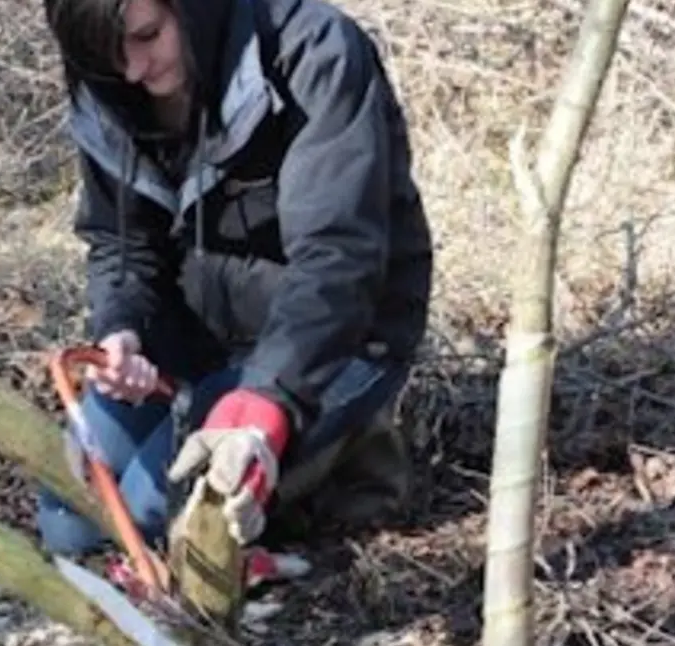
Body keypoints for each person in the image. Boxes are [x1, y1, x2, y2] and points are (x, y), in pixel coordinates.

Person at [35, 0, 434, 564]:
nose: (133, 70)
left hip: (333, 342)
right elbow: (120, 241)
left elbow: (337, 259)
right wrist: (123, 330)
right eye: (110, 52)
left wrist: (269, 398)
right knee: (70, 520)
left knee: (157, 515)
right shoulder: (108, 82)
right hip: (193, 347)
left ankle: (348, 452)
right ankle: (280, 453)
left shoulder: (313, 51)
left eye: (148, 36)